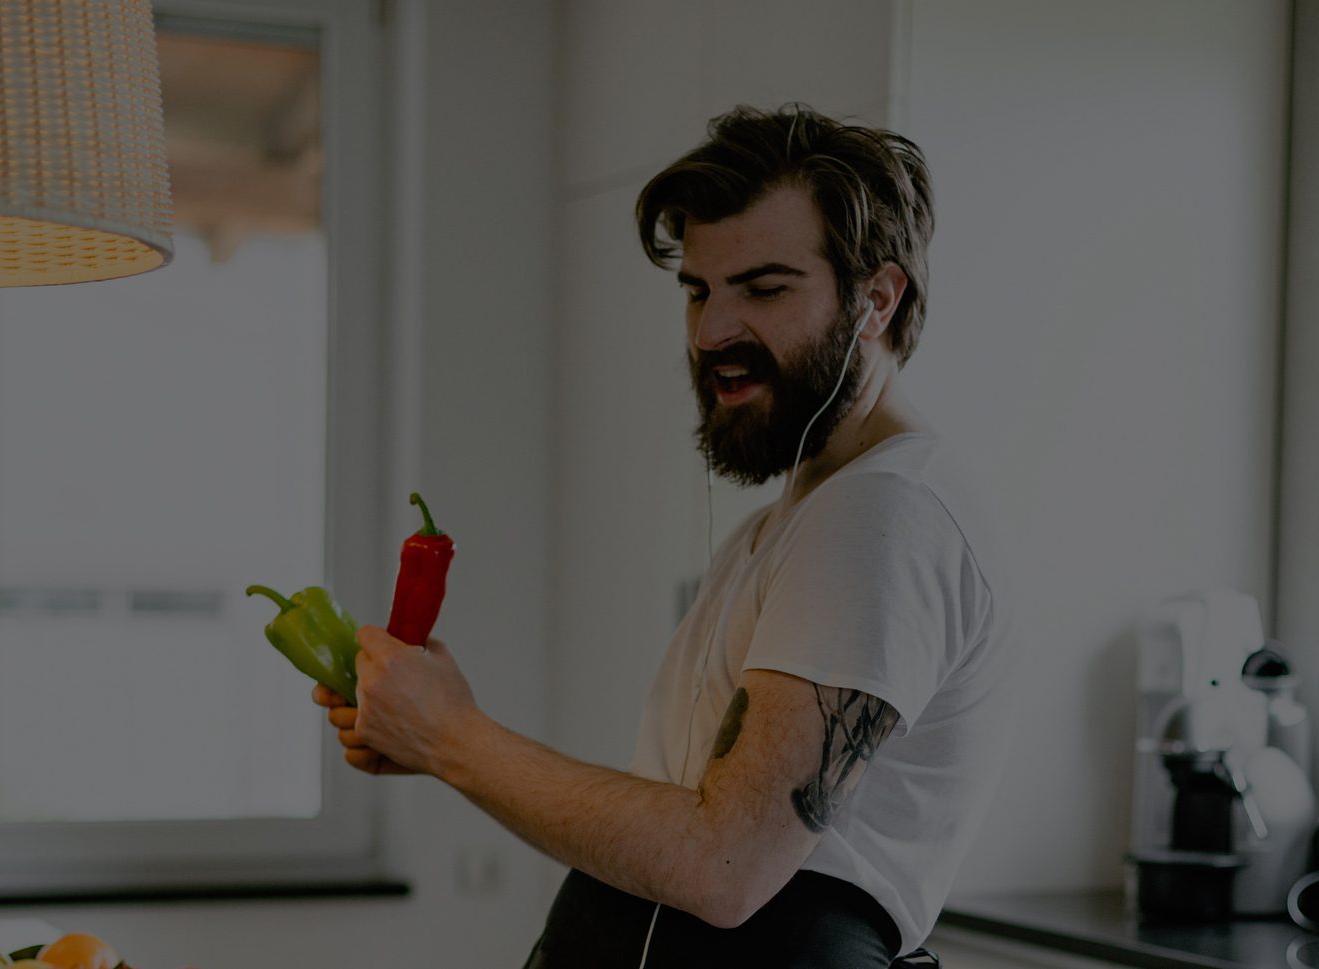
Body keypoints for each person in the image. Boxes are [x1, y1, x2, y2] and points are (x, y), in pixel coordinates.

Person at [312, 103, 1019, 968]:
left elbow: (726, 865)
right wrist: (434, 735)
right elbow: (682, 826)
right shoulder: (794, 517)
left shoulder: (887, 513)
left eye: (762, 288)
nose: (712, 332)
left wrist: (455, 738)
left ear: (876, 299)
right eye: (696, 289)